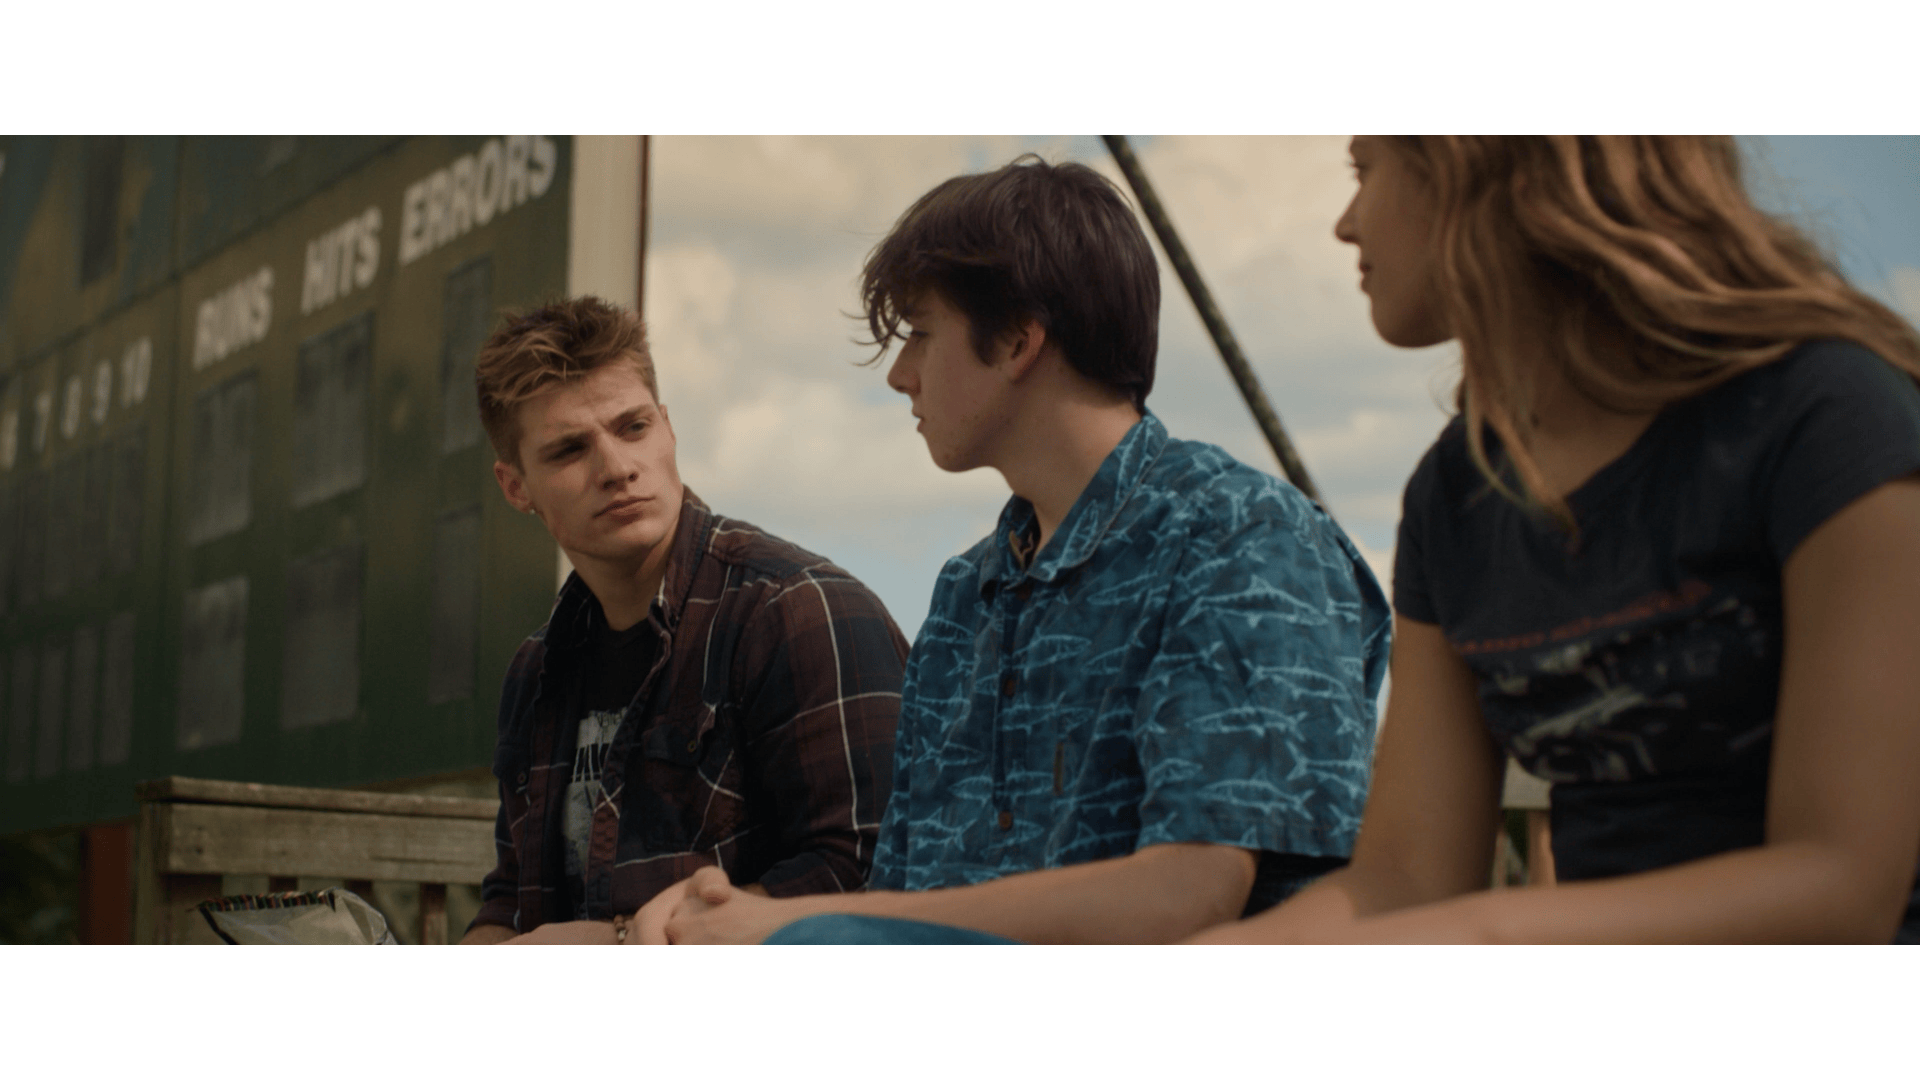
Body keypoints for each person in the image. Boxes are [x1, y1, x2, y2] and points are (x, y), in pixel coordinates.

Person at [633, 157, 1391, 945]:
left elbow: (1186, 896)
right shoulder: (968, 591)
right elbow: (904, 904)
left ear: (1021, 340)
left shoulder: (1243, 538)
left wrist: (798, 922)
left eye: (922, 335)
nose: (901, 375)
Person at [1194, 135, 1920, 944]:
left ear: (1475, 165)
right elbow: (1406, 878)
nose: (1345, 224)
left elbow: (1841, 888)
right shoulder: (1454, 493)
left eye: (1365, 171)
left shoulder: (1826, 419)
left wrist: (1482, 932)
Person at [456, 297, 907, 945]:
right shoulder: (537, 669)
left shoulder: (798, 609)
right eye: (568, 450)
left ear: (667, 427)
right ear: (515, 486)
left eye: (632, 427)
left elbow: (873, 876)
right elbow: (512, 897)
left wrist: (619, 941)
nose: (616, 468)